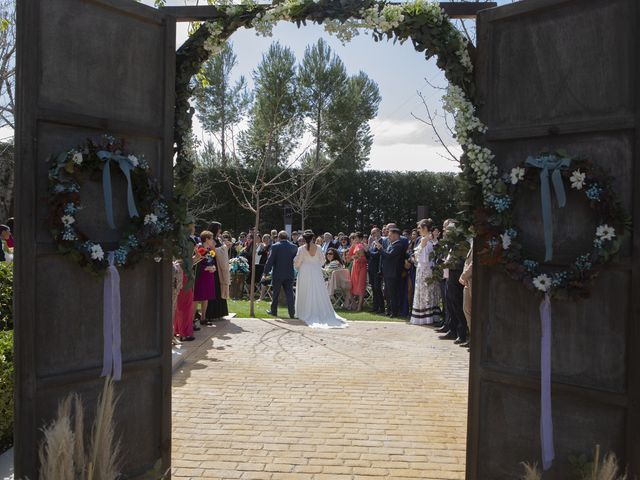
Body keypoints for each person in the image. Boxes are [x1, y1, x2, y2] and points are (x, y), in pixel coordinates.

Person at [294, 230, 347, 328]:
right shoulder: (318, 248)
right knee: (318, 290)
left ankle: (303, 312)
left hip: (305, 271)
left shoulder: (301, 249)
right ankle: (317, 311)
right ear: (313, 238)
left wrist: (297, 265)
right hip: (316, 271)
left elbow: (297, 262)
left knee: (305, 291)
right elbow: (322, 261)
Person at [410, 219, 442, 325]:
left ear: (424, 228)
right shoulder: (430, 239)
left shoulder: (425, 239)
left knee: (425, 292)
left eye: (419, 228)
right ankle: (429, 316)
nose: (418, 230)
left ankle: (425, 317)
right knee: (428, 293)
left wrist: (416, 256)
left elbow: (421, 257)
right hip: (426, 268)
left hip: (425, 269)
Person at [262, 231, 298, 319]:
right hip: (289, 273)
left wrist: (265, 273)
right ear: (287, 237)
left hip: (277, 273)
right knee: (290, 294)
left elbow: (270, 261)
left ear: (278, 237)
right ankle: (292, 312)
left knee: (276, 294)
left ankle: (274, 311)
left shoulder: (275, 246)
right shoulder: (294, 247)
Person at [375, 227, 405, 317]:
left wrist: (380, 249)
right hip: (387, 272)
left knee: (392, 293)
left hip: (392, 272)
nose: (388, 237)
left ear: (396, 235)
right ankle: (389, 310)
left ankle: (394, 311)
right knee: (387, 293)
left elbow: (389, 255)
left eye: (390, 235)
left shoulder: (398, 245)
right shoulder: (391, 244)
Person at [205, 222, 230, 323]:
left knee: (220, 289)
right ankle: (212, 313)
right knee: (214, 290)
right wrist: (222, 249)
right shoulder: (210, 239)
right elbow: (210, 253)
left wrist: (224, 248)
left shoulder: (218, 239)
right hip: (214, 267)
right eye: (219, 229)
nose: (220, 231)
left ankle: (220, 313)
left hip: (219, 267)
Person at [193, 231, 217, 324]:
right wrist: (207, 268)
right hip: (201, 276)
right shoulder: (200, 249)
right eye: (211, 238)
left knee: (206, 297)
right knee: (197, 297)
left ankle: (203, 318)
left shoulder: (210, 250)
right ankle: (192, 319)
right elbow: (197, 264)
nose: (212, 240)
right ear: (206, 239)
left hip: (209, 275)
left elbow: (211, 261)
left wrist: (213, 267)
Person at [347, 232, 367, 312]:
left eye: (357, 238)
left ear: (361, 238)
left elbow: (365, 257)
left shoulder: (363, 246)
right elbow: (349, 256)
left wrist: (358, 256)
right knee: (353, 285)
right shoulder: (354, 246)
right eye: (354, 238)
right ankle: (355, 304)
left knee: (361, 285)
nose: (355, 240)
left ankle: (359, 306)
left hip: (362, 266)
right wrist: (354, 256)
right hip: (355, 266)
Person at [458, 241, 473, 349]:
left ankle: (474, 339)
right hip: (467, 281)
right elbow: (467, 262)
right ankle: (472, 337)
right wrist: (463, 276)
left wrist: (464, 275)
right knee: (466, 309)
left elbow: (473, 263)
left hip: (472, 280)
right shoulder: (472, 242)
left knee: (471, 310)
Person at [367, 227, 384, 314]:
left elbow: (378, 254)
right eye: (371, 233)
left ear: (378, 232)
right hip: (371, 268)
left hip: (377, 269)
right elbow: (369, 254)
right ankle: (375, 307)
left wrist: (369, 252)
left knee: (378, 288)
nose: (373, 235)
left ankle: (381, 308)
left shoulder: (382, 241)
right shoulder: (373, 243)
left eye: (374, 233)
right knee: (373, 288)